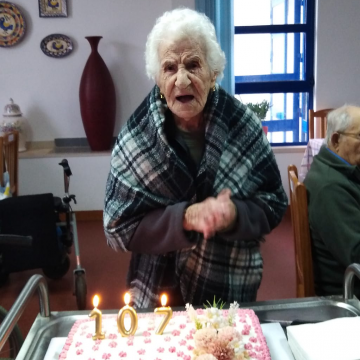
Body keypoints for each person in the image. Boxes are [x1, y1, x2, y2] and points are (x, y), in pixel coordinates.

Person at [104, 8, 287, 308]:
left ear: (213, 72)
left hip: (227, 285)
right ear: (158, 79)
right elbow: (116, 227)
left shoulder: (243, 126)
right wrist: (186, 218)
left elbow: (274, 204)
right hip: (156, 290)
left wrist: (234, 215)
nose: (182, 80)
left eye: (193, 64)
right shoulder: (137, 136)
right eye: (170, 68)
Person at [304, 105, 360, 297]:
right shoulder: (330, 188)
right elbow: (356, 254)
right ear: (336, 140)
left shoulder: (335, 167)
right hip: (348, 291)